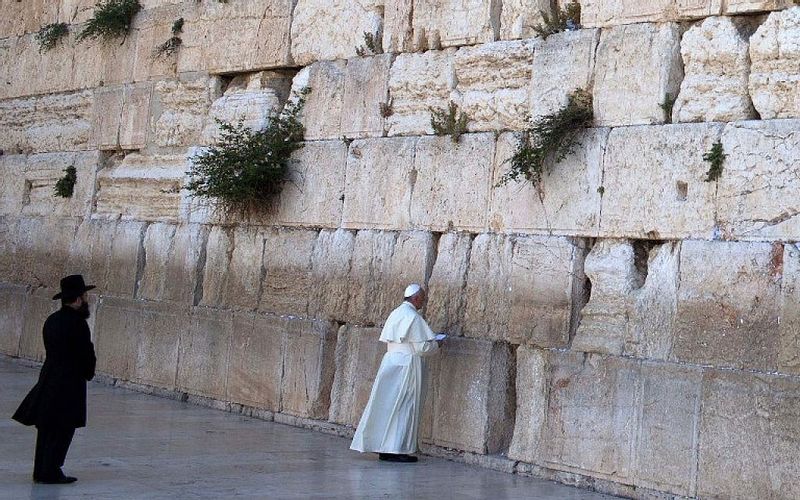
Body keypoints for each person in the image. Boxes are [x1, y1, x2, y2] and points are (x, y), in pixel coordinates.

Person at [12, 275, 97, 484]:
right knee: (62, 430)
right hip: (69, 384)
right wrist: (88, 372)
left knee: (47, 428)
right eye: (85, 296)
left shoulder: (52, 321)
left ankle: (41, 469)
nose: (86, 300)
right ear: (77, 299)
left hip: (49, 378)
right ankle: (51, 471)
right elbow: (86, 354)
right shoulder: (78, 324)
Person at [350, 283, 441, 463]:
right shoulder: (413, 318)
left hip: (391, 362)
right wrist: (438, 344)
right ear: (415, 298)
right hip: (408, 365)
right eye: (422, 298)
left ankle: (386, 449)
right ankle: (398, 449)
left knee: (388, 406)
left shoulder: (396, 313)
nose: (423, 301)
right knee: (405, 407)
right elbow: (423, 347)